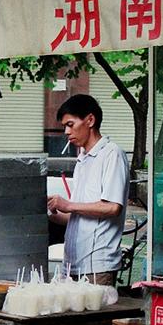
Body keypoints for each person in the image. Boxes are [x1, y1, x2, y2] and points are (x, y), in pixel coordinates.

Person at [47, 94, 130, 286]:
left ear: (90, 120)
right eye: (64, 126)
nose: (67, 132)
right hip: (74, 263)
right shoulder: (82, 160)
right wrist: (52, 212)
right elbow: (78, 214)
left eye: (70, 124)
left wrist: (68, 204)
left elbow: (112, 208)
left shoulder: (112, 154)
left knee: (95, 316)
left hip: (98, 265)